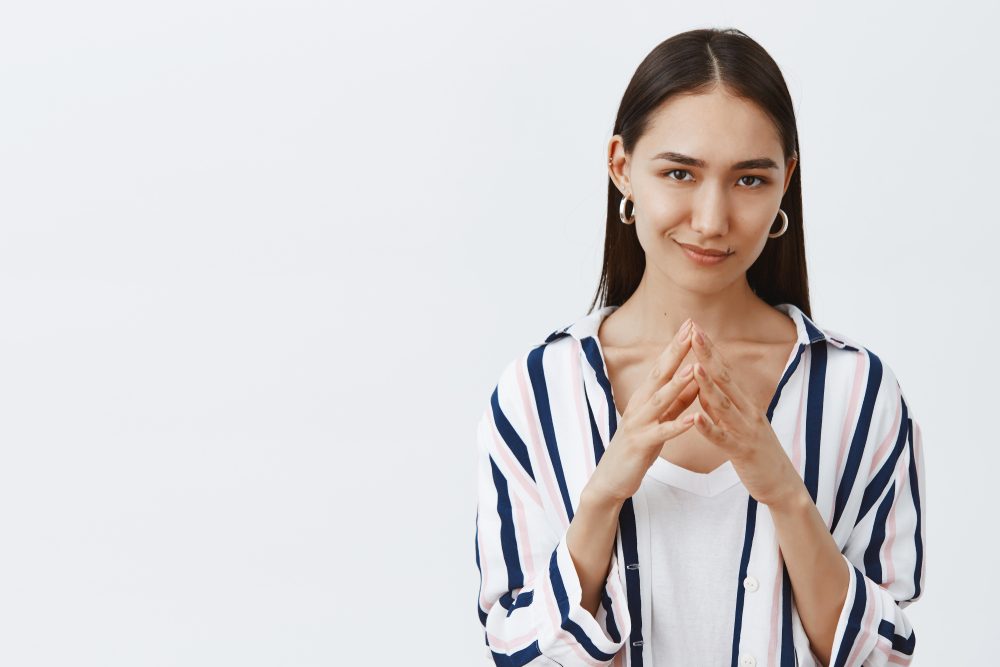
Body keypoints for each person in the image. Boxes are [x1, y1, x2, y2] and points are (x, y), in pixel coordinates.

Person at [473, 27, 925, 667]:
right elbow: (518, 652)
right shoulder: (539, 392)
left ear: (784, 184)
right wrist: (606, 489)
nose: (712, 219)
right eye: (680, 172)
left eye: (748, 180)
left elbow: (886, 656)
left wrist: (783, 490)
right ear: (622, 167)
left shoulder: (858, 392)